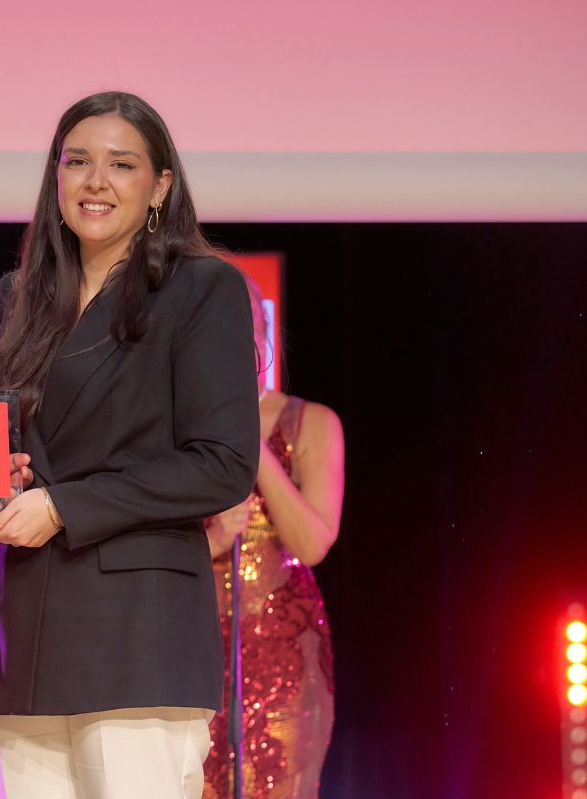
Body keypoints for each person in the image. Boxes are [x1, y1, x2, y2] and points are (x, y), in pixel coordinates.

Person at [0, 91, 261, 799]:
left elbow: (222, 465)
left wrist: (64, 507)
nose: (96, 182)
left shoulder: (201, 288)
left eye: (121, 164)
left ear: (159, 186)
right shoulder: (22, 296)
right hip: (22, 627)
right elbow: (29, 458)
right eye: (77, 162)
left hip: (137, 635)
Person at [201, 278, 345, 799]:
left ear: (262, 335)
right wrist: (213, 541)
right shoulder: (173, 426)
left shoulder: (311, 422)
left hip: (283, 655)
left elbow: (312, 544)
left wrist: (253, 444)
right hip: (189, 648)